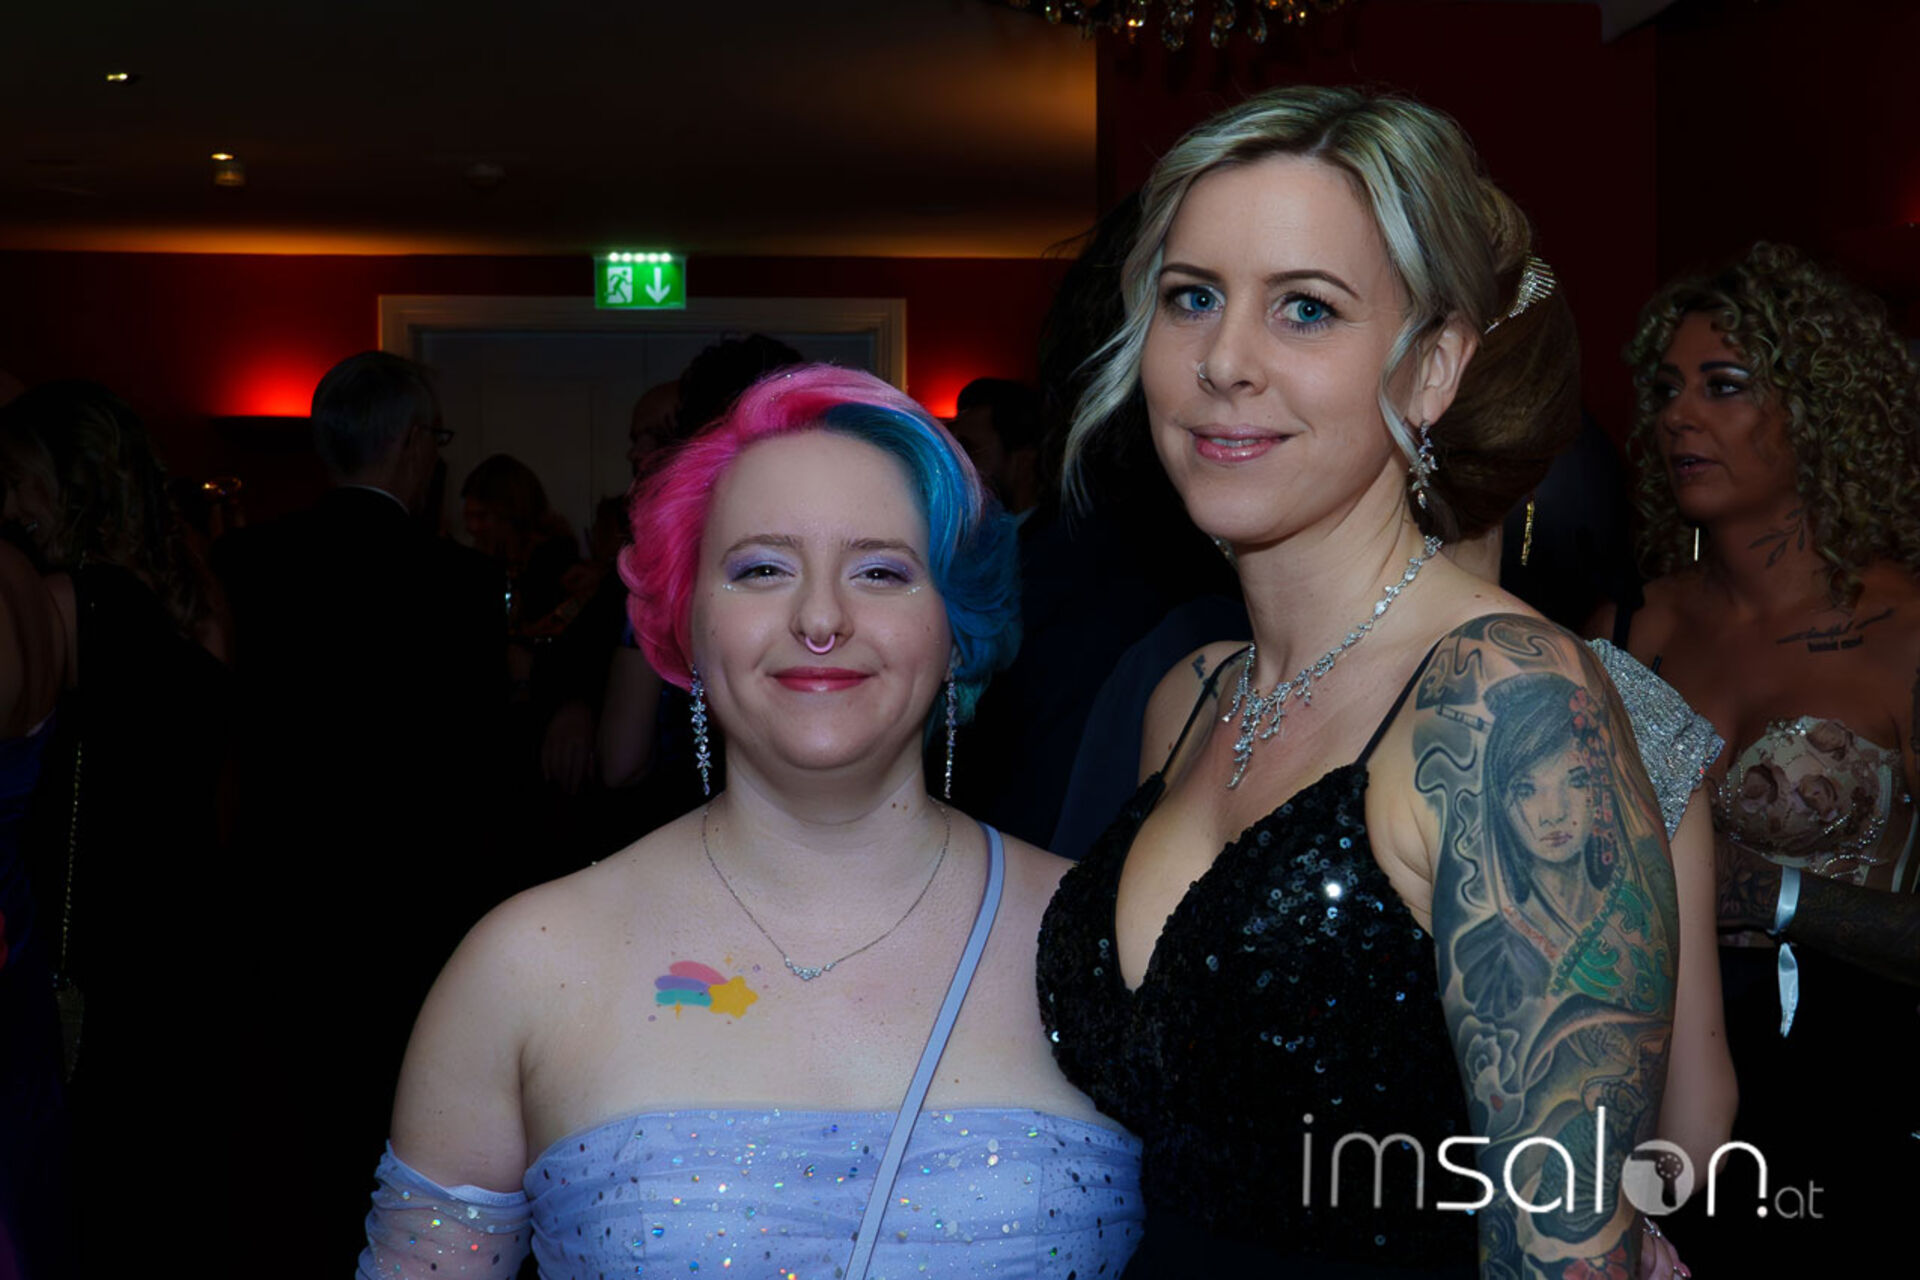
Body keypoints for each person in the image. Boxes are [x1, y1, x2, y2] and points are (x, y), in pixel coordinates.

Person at [1035, 86, 1684, 1277]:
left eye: (1306, 307)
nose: (1224, 361)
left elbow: (1570, 1246)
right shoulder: (1196, 696)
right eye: (1192, 297)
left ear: (1432, 367)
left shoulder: (1506, 696)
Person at [358, 365, 1143, 1279]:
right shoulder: (526, 966)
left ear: (955, 627)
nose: (820, 617)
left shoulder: (1108, 942)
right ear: (686, 622)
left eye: (881, 571)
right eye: (762, 568)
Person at [1595, 241, 1920, 1269]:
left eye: (1724, 385)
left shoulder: (1904, 632)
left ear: (1819, 412)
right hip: (1650, 1110)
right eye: (1665, 390)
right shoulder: (1625, 630)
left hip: (1853, 1111)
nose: (1679, 416)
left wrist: (1773, 894)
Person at [214, 351, 507, 1273]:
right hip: (414, 911)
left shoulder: (244, 562)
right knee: (406, 1147)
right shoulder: (458, 583)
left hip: (280, 897)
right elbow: (482, 770)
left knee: (289, 1151)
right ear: (414, 443)